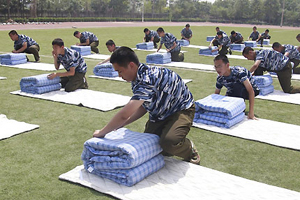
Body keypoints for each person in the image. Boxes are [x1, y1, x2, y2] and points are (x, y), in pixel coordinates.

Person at [93, 46, 200, 165]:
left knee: (169, 142)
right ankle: (169, 140)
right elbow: (143, 106)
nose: (119, 76)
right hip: (160, 112)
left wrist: (102, 132)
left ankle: (189, 149)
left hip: (180, 109)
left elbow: (125, 114)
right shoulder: (137, 78)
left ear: (131, 65)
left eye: (120, 71)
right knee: (150, 145)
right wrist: (122, 124)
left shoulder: (147, 79)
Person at [214, 55, 259, 119]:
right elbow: (216, 94)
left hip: (252, 90)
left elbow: (250, 90)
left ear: (227, 65)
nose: (217, 69)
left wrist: (251, 112)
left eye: (220, 66)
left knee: (238, 87)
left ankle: (240, 108)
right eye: (215, 67)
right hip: (233, 89)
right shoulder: (220, 78)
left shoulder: (239, 73)